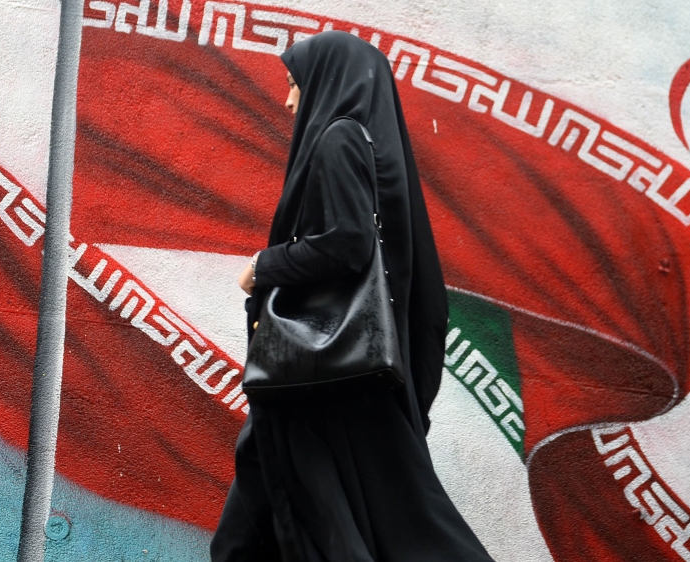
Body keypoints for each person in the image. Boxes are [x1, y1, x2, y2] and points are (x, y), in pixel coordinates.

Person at [210, 31, 496, 562]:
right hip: (330, 377)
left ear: (325, 81)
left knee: (372, 530)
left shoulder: (338, 140)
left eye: (295, 84)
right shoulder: (372, 145)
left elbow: (346, 244)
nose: (289, 101)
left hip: (318, 377)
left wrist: (263, 266)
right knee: (270, 531)